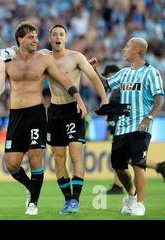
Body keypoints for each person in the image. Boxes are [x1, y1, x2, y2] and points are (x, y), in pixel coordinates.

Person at [0, 22, 87, 216]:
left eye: (36, 37)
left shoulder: (44, 60)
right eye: (31, 37)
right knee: (11, 164)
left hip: (36, 114)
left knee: (36, 160)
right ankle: (30, 187)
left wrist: (79, 99)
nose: (36, 40)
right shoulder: (7, 60)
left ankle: (33, 203)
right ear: (20, 39)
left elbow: (65, 80)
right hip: (15, 115)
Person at [89, 37, 165, 216]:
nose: (124, 49)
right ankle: (131, 194)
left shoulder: (151, 73)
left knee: (138, 165)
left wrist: (149, 117)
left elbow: (159, 98)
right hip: (122, 127)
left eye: (127, 47)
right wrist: (94, 70)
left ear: (137, 51)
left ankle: (140, 204)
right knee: (119, 167)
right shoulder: (124, 73)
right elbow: (106, 83)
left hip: (141, 127)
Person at [40, 24, 109, 214]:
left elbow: (94, 78)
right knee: (59, 158)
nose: (57, 37)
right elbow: (24, 53)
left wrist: (104, 99)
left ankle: (75, 199)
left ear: (66, 38)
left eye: (61, 34)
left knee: (75, 155)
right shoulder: (44, 57)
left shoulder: (76, 57)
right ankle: (68, 199)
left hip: (73, 110)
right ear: (50, 38)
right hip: (54, 112)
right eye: (54, 34)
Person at [101, 65, 165, 194]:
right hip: (120, 126)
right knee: (127, 159)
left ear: (113, 73)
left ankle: (119, 186)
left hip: (123, 126)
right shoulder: (117, 87)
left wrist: (113, 123)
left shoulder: (120, 89)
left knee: (130, 159)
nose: (109, 77)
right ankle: (159, 166)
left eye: (108, 74)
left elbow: (124, 107)